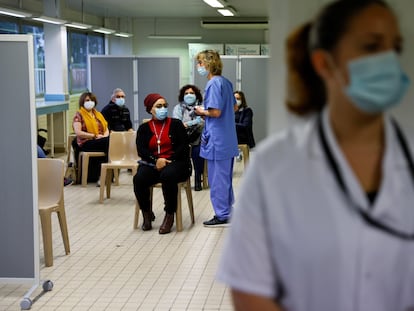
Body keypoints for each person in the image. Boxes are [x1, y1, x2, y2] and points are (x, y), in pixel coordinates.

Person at [217, 1, 414, 310]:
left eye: (395, 47)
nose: (388, 61)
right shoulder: (274, 166)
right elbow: (249, 289)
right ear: (324, 63)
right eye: (372, 46)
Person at [133, 93, 191, 234]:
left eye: (165, 106)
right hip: (153, 164)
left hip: (177, 163)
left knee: (168, 175)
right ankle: (146, 213)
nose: (163, 109)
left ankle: (169, 214)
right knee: (139, 178)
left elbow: (184, 146)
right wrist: (155, 160)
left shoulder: (176, 124)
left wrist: (167, 160)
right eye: (159, 106)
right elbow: (142, 150)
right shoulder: (144, 128)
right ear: (150, 109)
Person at [194, 50, 239, 227]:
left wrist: (201, 111)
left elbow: (216, 112)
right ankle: (228, 210)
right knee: (225, 178)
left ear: (207, 64)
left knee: (217, 180)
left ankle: (222, 215)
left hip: (217, 140)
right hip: (227, 139)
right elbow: (233, 108)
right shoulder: (226, 83)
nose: (199, 67)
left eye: (200, 63)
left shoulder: (213, 83)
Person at [173, 84, 205, 191]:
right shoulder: (178, 108)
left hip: (198, 138)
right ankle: (183, 177)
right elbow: (177, 124)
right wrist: (194, 122)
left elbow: (203, 121)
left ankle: (197, 178)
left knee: (197, 151)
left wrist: (187, 124)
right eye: (186, 93)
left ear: (197, 95)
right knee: (181, 150)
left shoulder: (202, 107)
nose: (189, 95)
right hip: (182, 138)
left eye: (191, 93)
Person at [72, 92, 109, 184]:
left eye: (92, 100)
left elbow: (106, 129)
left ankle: (107, 174)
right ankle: (104, 175)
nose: (90, 102)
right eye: (87, 100)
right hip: (86, 142)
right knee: (109, 142)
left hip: (100, 140)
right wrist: (94, 136)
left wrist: (103, 136)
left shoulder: (98, 114)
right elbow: (78, 132)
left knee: (110, 141)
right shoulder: (79, 115)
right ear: (82, 102)